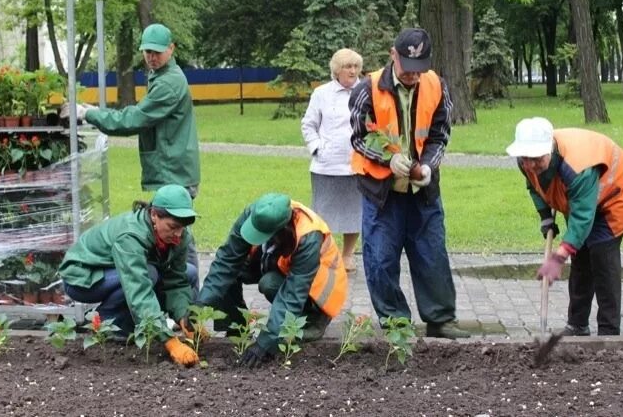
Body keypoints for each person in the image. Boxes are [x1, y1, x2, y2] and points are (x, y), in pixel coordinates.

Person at [348, 27, 469, 339]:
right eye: (408, 68)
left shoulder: (437, 85)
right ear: (393, 55)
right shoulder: (367, 89)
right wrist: (388, 160)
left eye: (420, 69)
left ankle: (440, 320)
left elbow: (440, 134)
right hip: (381, 192)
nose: (414, 75)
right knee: (381, 258)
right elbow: (358, 138)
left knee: (431, 254)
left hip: (423, 190)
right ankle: (396, 324)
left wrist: (428, 165)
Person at [62, 23, 201, 286]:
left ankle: (191, 302)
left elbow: (135, 119)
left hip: (175, 171)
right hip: (172, 169)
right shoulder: (161, 75)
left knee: (180, 238)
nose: (152, 56)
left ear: (171, 49)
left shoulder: (169, 82)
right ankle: (181, 299)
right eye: (147, 51)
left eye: (157, 52)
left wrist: (87, 113)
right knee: (176, 235)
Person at [506, 117, 623, 336]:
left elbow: (583, 218)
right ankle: (577, 325)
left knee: (602, 260)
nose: (530, 165)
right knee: (581, 261)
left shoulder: (579, 168)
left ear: (549, 150)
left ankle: (609, 331)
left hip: (614, 197)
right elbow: (534, 187)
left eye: (536, 159)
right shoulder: (526, 162)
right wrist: (545, 217)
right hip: (578, 200)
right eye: (525, 158)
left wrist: (559, 257)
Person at [196, 193, 348, 367]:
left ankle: (309, 324)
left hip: (318, 292)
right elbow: (227, 260)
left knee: (269, 284)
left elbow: (293, 294)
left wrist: (265, 342)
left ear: (281, 231)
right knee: (233, 271)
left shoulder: (308, 235)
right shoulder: (257, 214)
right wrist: (201, 304)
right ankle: (236, 328)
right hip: (276, 262)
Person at [58, 184, 201, 366]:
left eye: (182, 227)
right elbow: (138, 289)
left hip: (117, 272)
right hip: (81, 276)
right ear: (154, 215)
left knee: (190, 273)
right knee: (149, 275)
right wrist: (170, 342)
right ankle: (107, 322)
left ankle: (128, 322)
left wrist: (185, 319)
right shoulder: (131, 235)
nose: (178, 234)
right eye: (173, 227)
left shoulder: (179, 236)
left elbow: (177, 281)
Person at [301, 48, 363, 273]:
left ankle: (347, 255)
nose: (353, 71)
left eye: (356, 66)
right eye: (348, 67)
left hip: (357, 164)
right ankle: (326, 254)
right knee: (322, 213)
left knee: (354, 211)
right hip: (326, 165)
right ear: (337, 70)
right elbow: (308, 124)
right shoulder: (322, 93)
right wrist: (317, 148)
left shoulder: (365, 91)